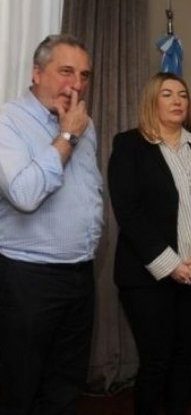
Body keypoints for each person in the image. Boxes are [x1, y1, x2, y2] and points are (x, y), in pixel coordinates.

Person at [108, 72, 191, 415]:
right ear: (152, 101)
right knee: (156, 361)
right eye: (167, 94)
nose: (177, 101)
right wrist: (171, 265)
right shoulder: (129, 145)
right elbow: (128, 211)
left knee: (184, 359)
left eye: (183, 95)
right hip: (147, 278)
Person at [0, 34, 103, 415]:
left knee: (64, 387)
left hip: (80, 274)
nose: (76, 84)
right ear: (37, 72)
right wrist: (67, 136)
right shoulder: (8, 121)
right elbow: (25, 194)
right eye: (66, 72)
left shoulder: (84, 123)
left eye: (84, 75)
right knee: (19, 388)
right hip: (28, 278)